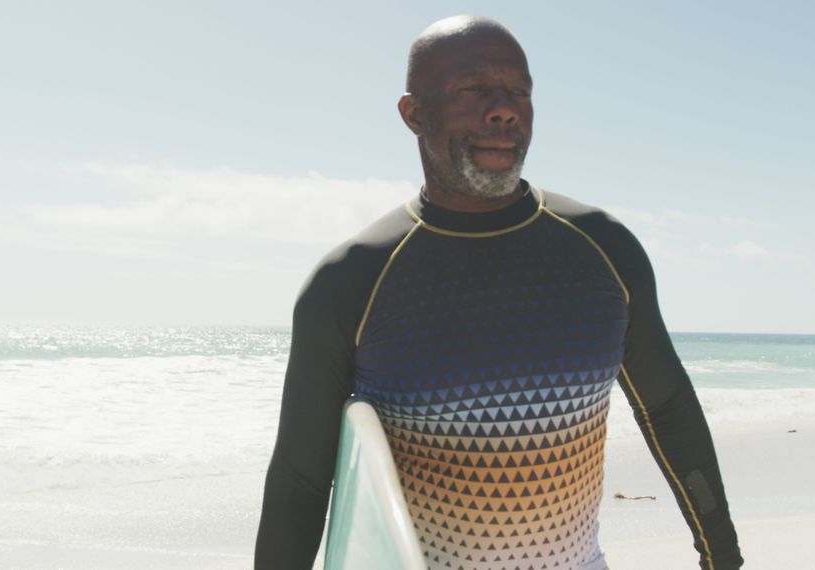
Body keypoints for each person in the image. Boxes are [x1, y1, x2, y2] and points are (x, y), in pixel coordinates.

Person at [255, 15, 743, 570]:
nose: (505, 108)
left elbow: (669, 410)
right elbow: (301, 478)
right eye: (473, 89)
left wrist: (722, 557)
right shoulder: (352, 281)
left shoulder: (604, 252)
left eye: (519, 91)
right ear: (414, 114)